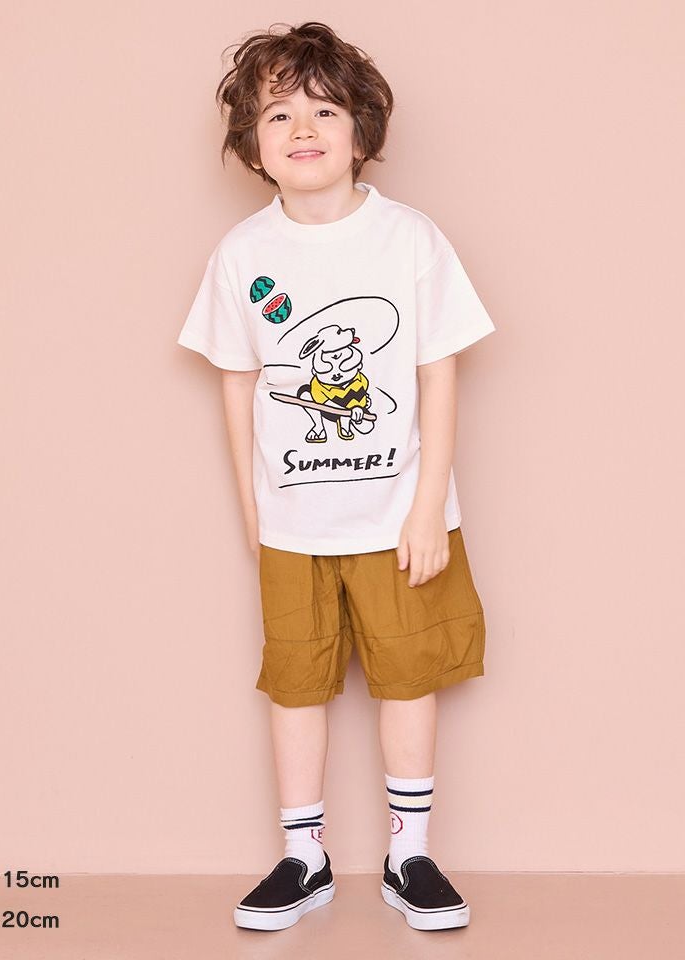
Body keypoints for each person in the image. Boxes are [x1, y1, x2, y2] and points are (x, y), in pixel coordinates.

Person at [176, 21, 496, 933]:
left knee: (408, 678)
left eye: (324, 109)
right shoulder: (243, 255)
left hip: (400, 517)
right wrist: (253, 507)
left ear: (362, 132)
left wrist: (428, 507)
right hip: (295, 523)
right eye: (278, 113)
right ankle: (303, 856)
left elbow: (438, 372)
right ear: (253, 145)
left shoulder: (410, 240)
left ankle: (410, 853)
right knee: (296, 682)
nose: (303, 128)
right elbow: (238, 383)